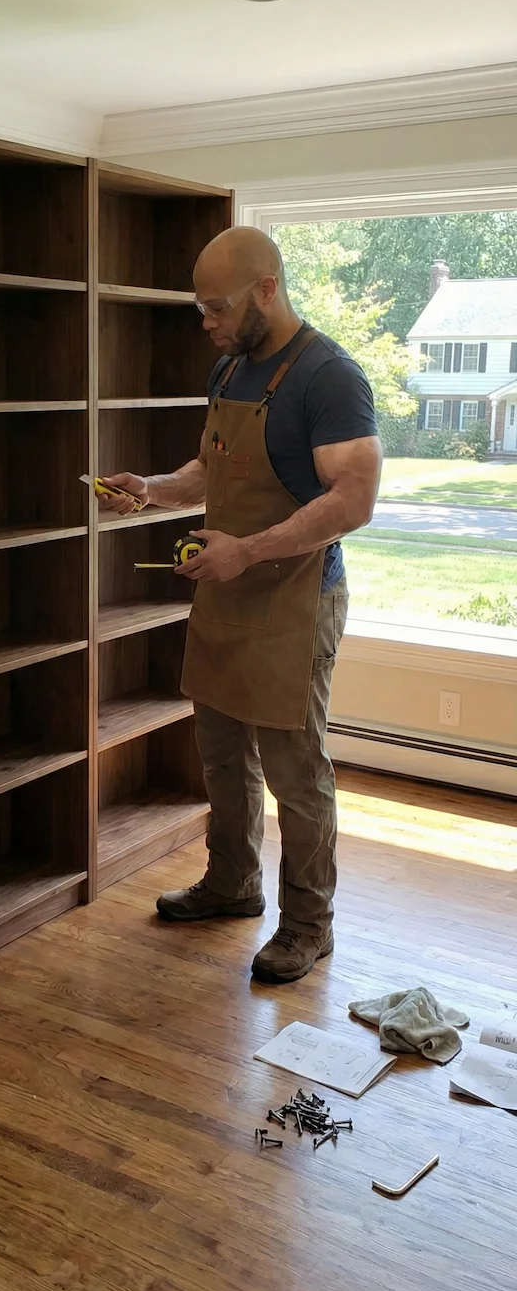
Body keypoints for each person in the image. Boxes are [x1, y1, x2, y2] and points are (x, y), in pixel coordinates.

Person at [97, 226, 382, 984]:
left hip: (294, 600)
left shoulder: (330, 378)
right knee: (223, 757)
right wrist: (153, 490)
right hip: (226, 592)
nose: (207, 322)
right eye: (200, 308)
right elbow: (210, 468)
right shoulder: (230, 371)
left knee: (296, 770)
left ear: (267, 289)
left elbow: (353, 499)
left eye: (216, 306)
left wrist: (248, 551)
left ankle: (309, 926)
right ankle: (231, 884)